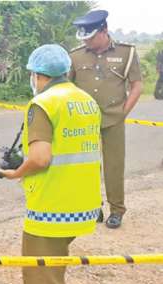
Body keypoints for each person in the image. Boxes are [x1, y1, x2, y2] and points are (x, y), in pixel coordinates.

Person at [0, 44, 102, 284]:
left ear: (37, 75)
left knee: (42, 275)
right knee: (54, 266)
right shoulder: (86, 100)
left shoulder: (43, 103)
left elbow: (40, 157)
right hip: (84, 202)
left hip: (53, 206)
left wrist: (17, 172)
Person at [69, 10, 142, 229]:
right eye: (84, 38)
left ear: (104, 30)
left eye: (91, 37)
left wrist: (123, 112)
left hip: (113, 118)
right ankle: (93, 207)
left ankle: (117, 210)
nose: (87, 42)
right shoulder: (76, 55)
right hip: (83, 121)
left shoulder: (126, 53)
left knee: (114, 166)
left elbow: (137, 85)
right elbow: (67, 87)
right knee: (86, 166)